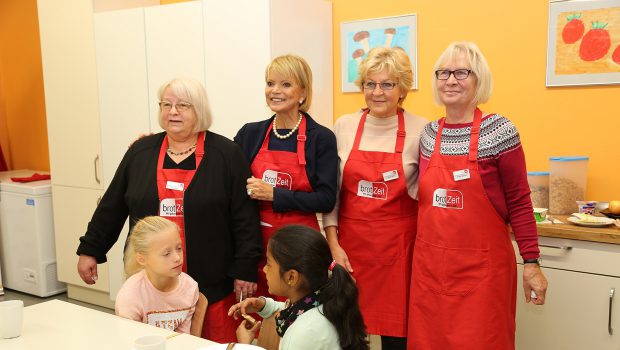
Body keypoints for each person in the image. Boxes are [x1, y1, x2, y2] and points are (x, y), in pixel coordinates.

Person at [76, 77, 262, 343]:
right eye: (166, 104)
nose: (173, 111)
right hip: (150, 285)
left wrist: (245, 268)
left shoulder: (226, 154)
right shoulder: (141, 152)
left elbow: (245, 218)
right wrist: (90, 249)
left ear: (199, 110)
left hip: (211, 281)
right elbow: (112, 205)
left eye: (183, 105)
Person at [408, 42, 548, 350]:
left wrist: (532, 263)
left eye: (461, 72)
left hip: (484, 276)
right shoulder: (428, 135)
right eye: (443, 72)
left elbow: (520, 202)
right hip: (430, 275)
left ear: (478, 80)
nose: (451, 80)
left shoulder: (499, 131)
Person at [323, 47, 427, 350]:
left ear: (403, 89)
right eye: (370, 84)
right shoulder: (344, 126)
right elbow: (333, 194)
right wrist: (333, 245)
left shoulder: (423, 130)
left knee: (399, 338)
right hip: (350, 251)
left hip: (400, 252)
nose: (377, 92)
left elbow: (429, 193)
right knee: (349, 335)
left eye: (387, 84)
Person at [234, 54, 337, 299]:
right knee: (258, 323)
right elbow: (220, 168)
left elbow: (325, 199)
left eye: (286, 84)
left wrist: (275, 194)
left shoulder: (320, 138)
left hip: (300, 252)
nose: (275, 91)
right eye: (270, 83)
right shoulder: (251, 133)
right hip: (258, 247)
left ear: (303, 93)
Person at [228, 225, 369, 350]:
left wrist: (244, 346)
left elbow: (301, 322)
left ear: (291, 277)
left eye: (269, 264)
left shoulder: (302, 333)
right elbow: (295, 311)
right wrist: (264, 306)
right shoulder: (325, 299)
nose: (264, 269)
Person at [115, 216, 205, 336]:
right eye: (166, 253)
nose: (177, 258)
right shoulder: (130, 296)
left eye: (179, 248)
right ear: (142, 259)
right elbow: (130, 341)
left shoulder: (190, 287)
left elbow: (183, 339)